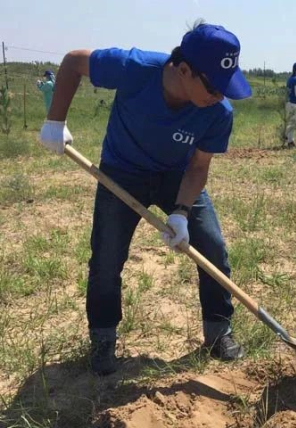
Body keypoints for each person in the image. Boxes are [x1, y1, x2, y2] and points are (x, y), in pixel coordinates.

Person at [38, 21, 252, 376]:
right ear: (184, 69)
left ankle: (218, 331)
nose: (220, 96)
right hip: (120, 173)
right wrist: (54, 121)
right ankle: (103, 338)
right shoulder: (136, 69)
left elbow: (198, 167)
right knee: (107, 258)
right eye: (214, 86)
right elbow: (75, 61)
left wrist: (182, 212)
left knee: (211, 247)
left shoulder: (218, 113)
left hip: (176, 177)